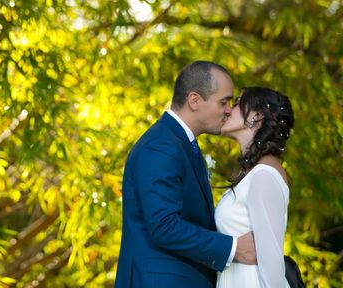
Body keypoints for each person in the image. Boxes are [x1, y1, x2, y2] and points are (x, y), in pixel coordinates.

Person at [114, 60, 257, 288]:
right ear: (194, 100)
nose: (230, 109)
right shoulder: (160, 146)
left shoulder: (181, 144)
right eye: (224, 101)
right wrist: (233, 248)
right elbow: (164, 225)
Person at [216, 87, 294, 288]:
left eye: (236, 103)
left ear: (256, 116)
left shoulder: (264, 175)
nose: (227, 110)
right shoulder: (252, 173)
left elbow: (272, 270)